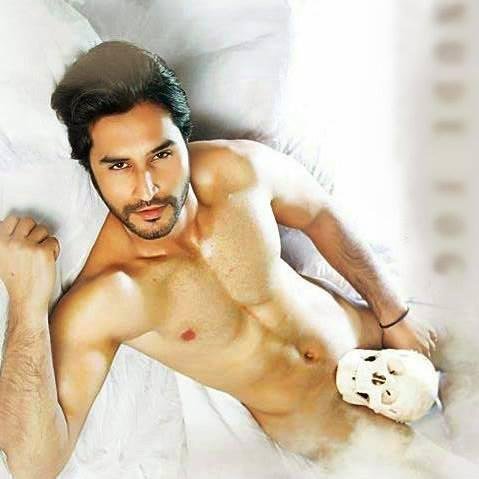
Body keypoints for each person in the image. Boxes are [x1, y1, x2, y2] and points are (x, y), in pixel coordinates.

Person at [0, 40, 440, 477]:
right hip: (341, 435)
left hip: (385, 339)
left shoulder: (236, 171)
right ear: (90, 167)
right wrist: (26, 304)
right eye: (118, 166)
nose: (147, 187)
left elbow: (319, 215)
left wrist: (393, 314)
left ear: (184, 138)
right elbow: (34, 466)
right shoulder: (110, 297)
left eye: (161, 154)